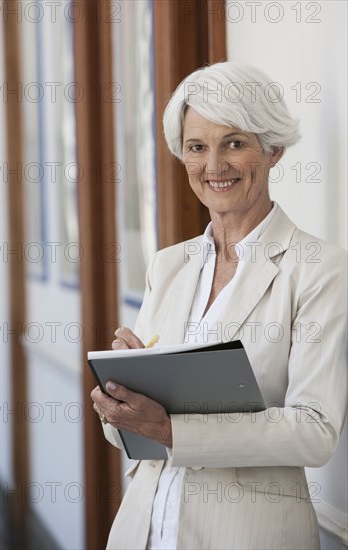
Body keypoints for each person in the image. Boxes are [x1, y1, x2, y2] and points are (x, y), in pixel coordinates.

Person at [91, 62, 347, 550]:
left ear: (273, 150)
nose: (214, 165)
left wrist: (170, 428)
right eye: (197, 147)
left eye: (234, 142)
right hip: (142, 531)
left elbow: (316, 430)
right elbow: (135, 438)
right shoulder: (168, 266)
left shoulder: (320, 268)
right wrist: (118, 402)